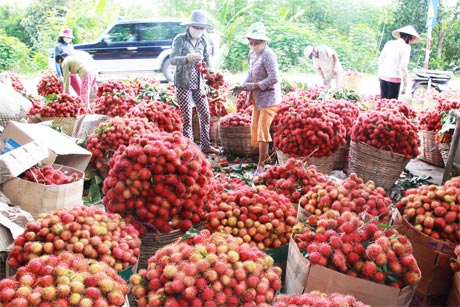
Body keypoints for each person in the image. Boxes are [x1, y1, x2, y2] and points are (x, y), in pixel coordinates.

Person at [170, 9, 219, 154]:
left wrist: (210, 71)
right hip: (183, 83)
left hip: (199, 82)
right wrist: (188, 58)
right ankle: (190, 148)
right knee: (187, 117)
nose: (198, 30)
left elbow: (207, 59)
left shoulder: (203, 40)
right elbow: (173, 60)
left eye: (201, 28)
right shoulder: (180, 39)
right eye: (196, 27)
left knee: (205, 113)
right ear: (189, 26)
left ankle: (205, 145)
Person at [236, 22, 282, 176]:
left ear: (264, 42)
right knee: (254, 128)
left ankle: (261, 164)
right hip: (257, 98)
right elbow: (250, 75)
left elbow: (274, 78)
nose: (254, 45)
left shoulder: (269, 55)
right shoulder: (251, 54)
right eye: (251, 43)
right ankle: (266, 157)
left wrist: (256, 86)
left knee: (263, 129)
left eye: (257, 42)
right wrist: (242, 86)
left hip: (269, 98)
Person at [378, 25, 421, 99]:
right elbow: (403, 67)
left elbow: (381, 60)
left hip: (383, 76)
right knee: (392, 105)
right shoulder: (406, 47)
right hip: (395, 78)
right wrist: (405, 85)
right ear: (408, 37)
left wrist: (379, 74)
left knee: (383, 103)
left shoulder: (389, 43)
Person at [54, 28, 81, 95]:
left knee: (80, 90)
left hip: (73, 72)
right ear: (63, 37)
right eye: (67, 37)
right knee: (66, 93)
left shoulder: (71, 47)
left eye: (70, 38)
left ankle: (83, 104)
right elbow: (56, 62)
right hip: (64, 73)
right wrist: (59, 75)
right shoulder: (58, 47)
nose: (69, 39)